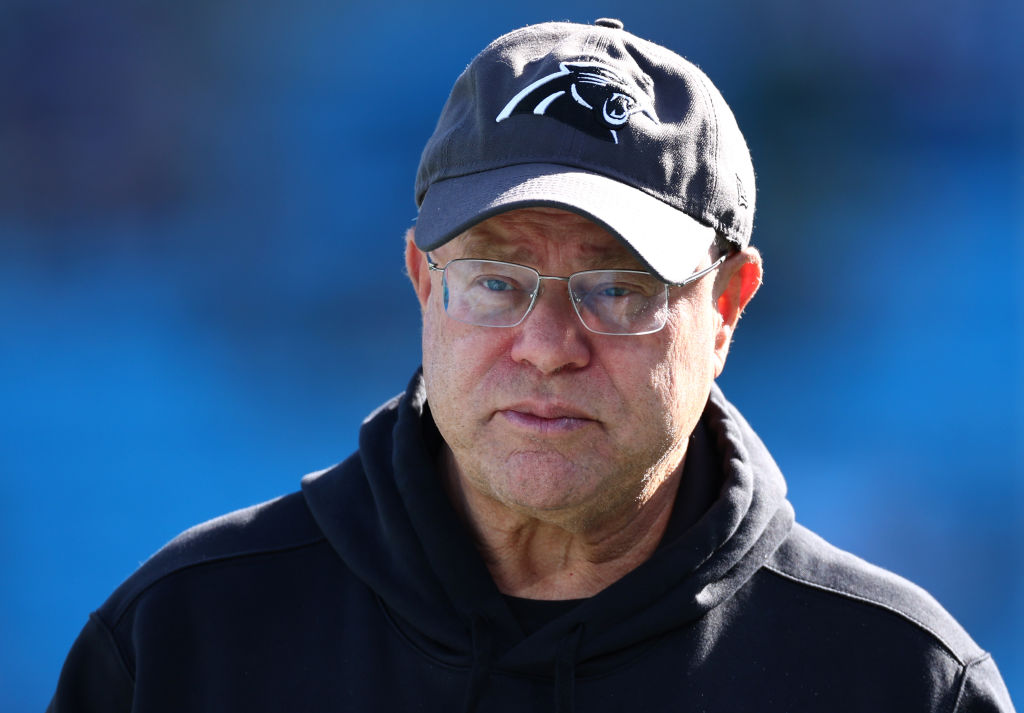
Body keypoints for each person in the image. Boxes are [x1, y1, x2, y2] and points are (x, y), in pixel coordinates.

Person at [49, 18, 1014, 713]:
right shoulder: (183, 642)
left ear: (727, 307)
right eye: (497, 282)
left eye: (619, 288)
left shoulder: (901, 680)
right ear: (424, 284)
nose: (549, 345)